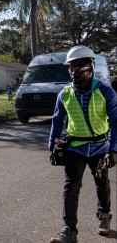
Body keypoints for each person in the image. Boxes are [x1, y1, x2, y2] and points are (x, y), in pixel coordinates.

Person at [48, 45, 117, 243]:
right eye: (71, 69)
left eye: (79, 69)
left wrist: (113, 149)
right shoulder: (65, 94)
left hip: (101, 148)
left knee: (102, 184)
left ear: (90, 67)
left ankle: (104, 217)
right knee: (71, 187)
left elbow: (115, 122)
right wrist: (52, 144)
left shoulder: (106, 93)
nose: (74, 73)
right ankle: (69, 230)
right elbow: (57, 120)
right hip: (75, 147)